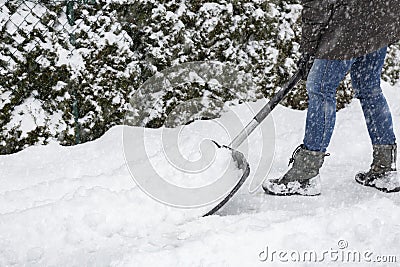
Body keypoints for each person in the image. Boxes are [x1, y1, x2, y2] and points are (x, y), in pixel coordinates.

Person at [263, 0, 400, 195]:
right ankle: (385, 168)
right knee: (369, 88)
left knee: (320, 88)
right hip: (382, 15)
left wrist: (309, 50)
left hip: (351, 20)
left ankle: (305, 174)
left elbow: (317, 5)